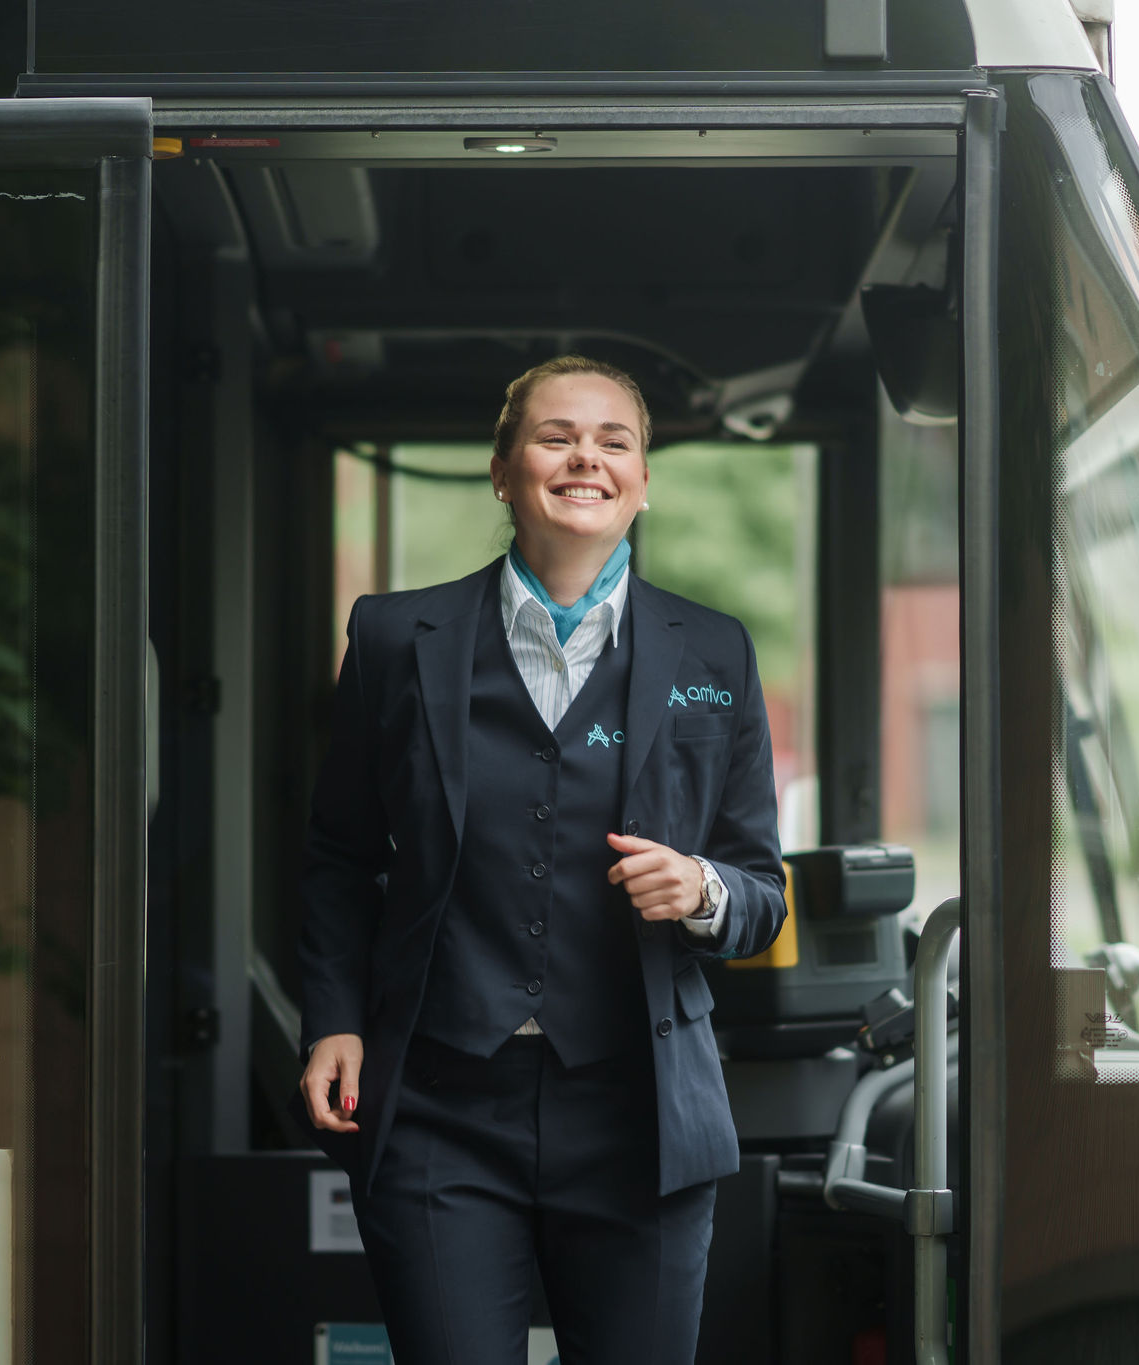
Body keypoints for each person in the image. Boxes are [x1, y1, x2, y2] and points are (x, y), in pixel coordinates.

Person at [297, 355, 788, 1363]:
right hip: (440, 1103)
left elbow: (761, 893)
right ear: (501, 469)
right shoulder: (395, 638)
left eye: (614, 442)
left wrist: (702, 890)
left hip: (637, 1111)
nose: (586, 459)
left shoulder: (713, 652)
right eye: (556, 436)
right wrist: (335, 1021)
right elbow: (339, 853)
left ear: (643, 481)